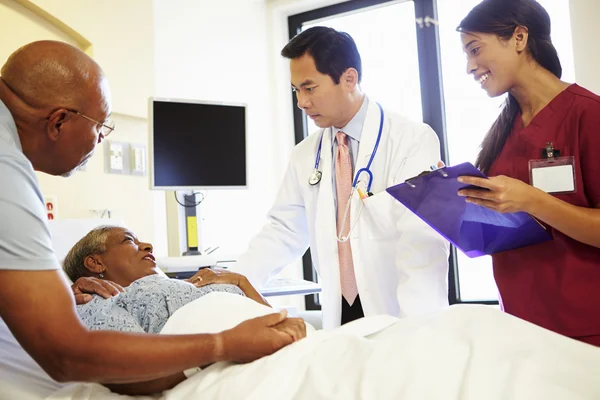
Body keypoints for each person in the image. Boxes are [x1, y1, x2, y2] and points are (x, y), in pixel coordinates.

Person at [0, 40, 305, 399]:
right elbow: (66, 353)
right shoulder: (8, 174)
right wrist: (223, 345)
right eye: (100, 125)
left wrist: (50, 296)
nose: (100, 139)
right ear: (58, 121)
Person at [234, 27, 450, 329]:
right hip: (340, 314)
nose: (301, 102)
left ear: (349, 79)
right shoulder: (306, 154)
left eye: (309, 88)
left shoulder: (411, 140)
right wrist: (233, 283)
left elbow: (421, 242)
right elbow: (283, 230)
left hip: (400, 313)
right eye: (296, 90)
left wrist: (415, 329)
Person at [455, 0, 600, 346]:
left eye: (474, 50)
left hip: (581, 328)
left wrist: (533, 200)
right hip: (520, 327)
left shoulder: (588, 115)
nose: (469, 66)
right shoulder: (503, 132)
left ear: (519, 38)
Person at [61, 225, 304, 395]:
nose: (147, 246)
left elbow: (269, 320)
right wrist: (219, 352)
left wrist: (242, 282)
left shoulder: (197, 283)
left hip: (292, 348)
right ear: (95, 263)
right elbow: (125, 370)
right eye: (129, 240)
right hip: (239, 368)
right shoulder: (96, 300)